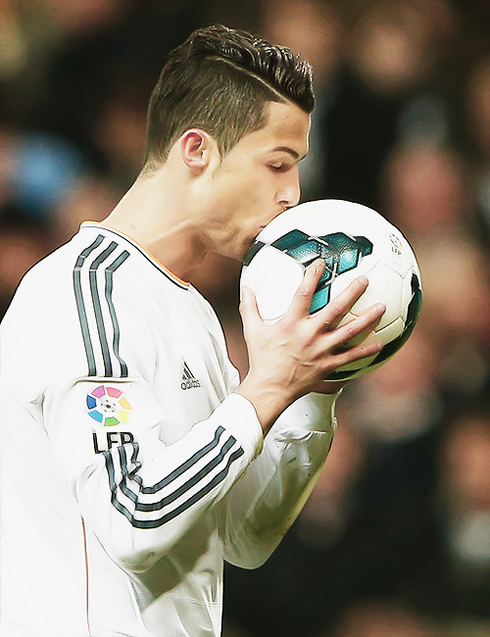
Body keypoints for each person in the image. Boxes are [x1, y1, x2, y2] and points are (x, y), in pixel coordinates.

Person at [0, 25, 384, 637]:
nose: (293, 195)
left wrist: (310, 393)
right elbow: (134, 517)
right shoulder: (85, 294)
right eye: (277, 164)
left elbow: (244, 536)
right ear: (197, 150)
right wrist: (261, 391)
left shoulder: (194, 314)